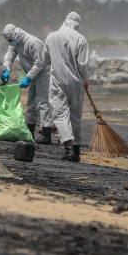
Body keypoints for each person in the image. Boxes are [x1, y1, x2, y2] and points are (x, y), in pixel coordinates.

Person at [43, 12, 89, 161]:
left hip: (57, 81)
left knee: (60, 114)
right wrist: (86, 80)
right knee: (75, 116)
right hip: (76, 82)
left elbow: (45, 59)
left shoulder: (51, 37)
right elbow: (82, 65)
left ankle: (68, 148)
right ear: (77, 24)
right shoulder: (81, 39)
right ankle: (76, 152)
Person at [1, 24, 52, 144]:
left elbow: (40, 63)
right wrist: (6, 69)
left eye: (10, 40)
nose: (10, 43)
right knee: (31, 102)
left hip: (43, 73)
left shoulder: (33, 42)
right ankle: (30, 132)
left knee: (43, 102)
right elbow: (9, 55)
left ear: (14, 35)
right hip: (33, 73)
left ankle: (46, 134)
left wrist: (28, 78)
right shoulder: (16, 42)